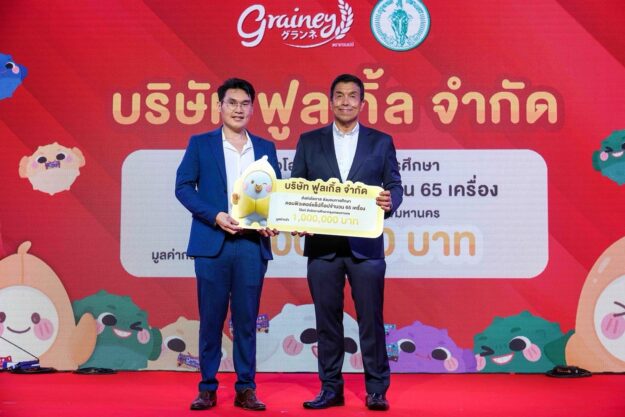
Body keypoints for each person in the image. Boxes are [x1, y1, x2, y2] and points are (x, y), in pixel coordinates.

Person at [291, 73, 402, 411]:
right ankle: (330, 389)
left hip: (365, 248)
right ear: (330, 101)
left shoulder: (381, 141)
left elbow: (394, 185)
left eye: (352, 96)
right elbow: (296, 187)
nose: (345, 101)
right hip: (322, 248)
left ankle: (377, 389)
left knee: (371, 321)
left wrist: (391, 201)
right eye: (339, 95)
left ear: (362, 103)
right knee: (326, 322)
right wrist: (296, 217)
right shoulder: (309, 141)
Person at [175, 78, 280, 411]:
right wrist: (214, 215)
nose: (238, 109)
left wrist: (273, 220)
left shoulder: (266, 147)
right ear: (219, 106)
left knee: (247, 321)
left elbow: (275, 194)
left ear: (252, 108)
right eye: (232, 103)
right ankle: (207, 387)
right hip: (212, 244)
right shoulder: (200, 144)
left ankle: (246, 387)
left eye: (244, 103)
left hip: (251, 246)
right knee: (211, 320)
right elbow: (183, 187)